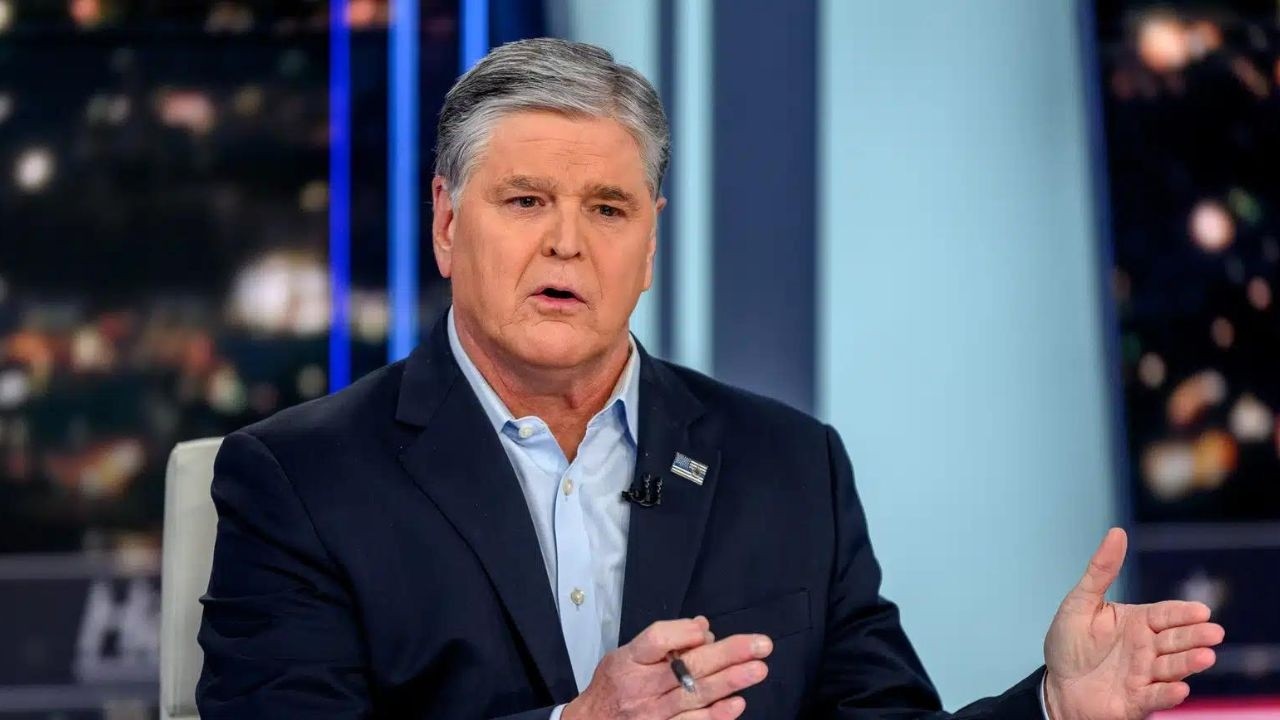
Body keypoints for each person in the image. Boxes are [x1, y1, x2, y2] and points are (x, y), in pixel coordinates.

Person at [196, 38, 1224, 719]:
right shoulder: (299, 481)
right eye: (525, 201)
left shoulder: (790, 465)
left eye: (607, 209)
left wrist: (1050, 706)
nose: (566, 243)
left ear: (649, 245)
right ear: (446, 223)